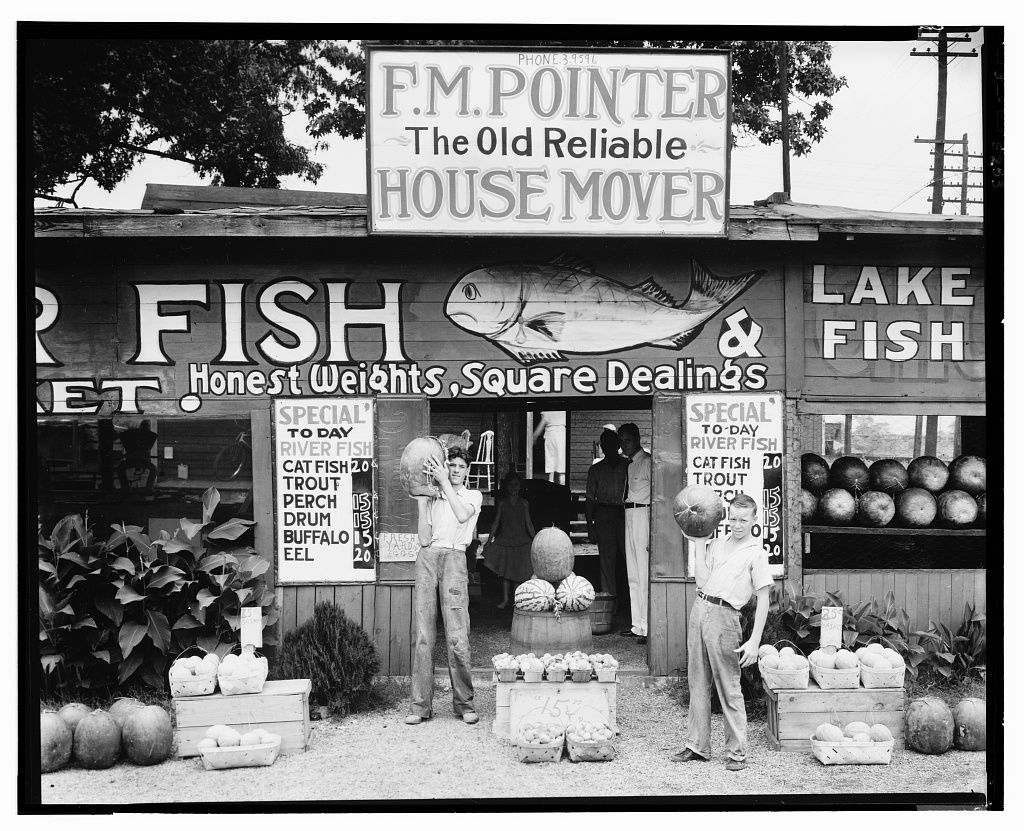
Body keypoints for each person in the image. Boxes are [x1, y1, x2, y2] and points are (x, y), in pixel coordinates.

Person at [671, 493, 772, 772]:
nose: (737, 525)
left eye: (743, 520)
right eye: (733, 519)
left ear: (754, 520)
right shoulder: (716, 544)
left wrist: (754, 641)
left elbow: (763, 599)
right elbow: (702, 580)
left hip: (726, 617)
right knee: (697, 681)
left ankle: (737, 752)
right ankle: (697, 746)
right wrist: (700, 543)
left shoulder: (756, 553)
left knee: (728, 685)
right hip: (700, 608)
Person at [406, 446, 483, 726]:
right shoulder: (435, 495)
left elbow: (463, 516)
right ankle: (419, 706)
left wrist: (441, 485)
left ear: (467, 471)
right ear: (445, 467)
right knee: (425, 635)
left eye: (461, 466)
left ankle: (464, 704)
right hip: (429, 557)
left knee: (457, 635)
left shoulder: (472, 496)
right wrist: (423, 500)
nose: (455, 470)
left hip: (454, 557)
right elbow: (424, 540)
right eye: (451, 465)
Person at [482, 470, 536, 609]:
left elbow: (528, 522)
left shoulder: (524, 503)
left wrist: (535, 540)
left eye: (516, 484)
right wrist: (489, 541)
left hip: (521, 540)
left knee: (518, 573)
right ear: (507, 486)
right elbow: (496, 522)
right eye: (510, 484)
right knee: (506, 573)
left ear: (520, 486)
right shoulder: (502, 503)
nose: (513, 487)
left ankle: (517, 600)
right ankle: (506, 599)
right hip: (505, 540)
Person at [618, 423, 651, 644]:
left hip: (643, 514)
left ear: (638, 438)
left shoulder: (648, 462)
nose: (623, 445)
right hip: (629, 514)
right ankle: (637, 625)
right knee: (633, 574)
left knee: (643, 572)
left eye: (627, 440)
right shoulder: (629, 465)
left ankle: (647, 626)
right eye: (621, 441)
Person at [585, 429, 627, 600]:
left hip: (625, 514)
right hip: (604, 514)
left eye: (611, 443)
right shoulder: (595, 469)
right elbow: (589, 500)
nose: (608, 447)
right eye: (604, 444)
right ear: (601, 446)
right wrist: (590, 527)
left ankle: (634, 603)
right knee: (606, 561)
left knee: (630, 558)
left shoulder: (628, 465)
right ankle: (610, 602)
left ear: (618, 445)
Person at [117, 420, 158, 494]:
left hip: (133, 457)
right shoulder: (147, 437)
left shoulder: (131, 436)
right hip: (139, 457)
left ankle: (125, 488)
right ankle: (148, 488)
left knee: (121, 468)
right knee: (152, 468)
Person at [532, 411, 566, 485]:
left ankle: (552, 481)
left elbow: (542, 424)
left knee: (551, 459)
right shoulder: (563, 411)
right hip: (561, 434)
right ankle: (561, 482)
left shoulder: (548, 411)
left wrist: (534, 436)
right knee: (561, 459)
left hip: (552, 434)